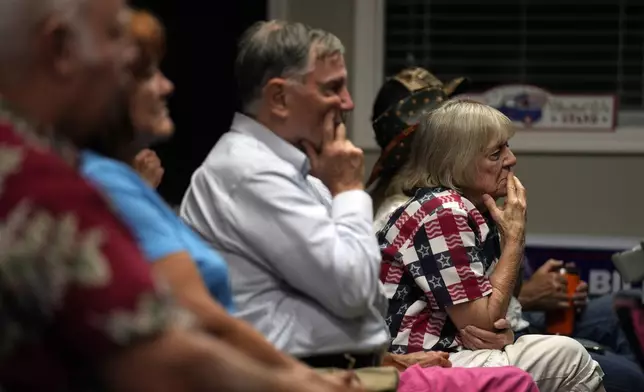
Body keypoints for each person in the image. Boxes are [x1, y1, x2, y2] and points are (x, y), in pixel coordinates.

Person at [0, 1, 360, 391]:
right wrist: (303, 384)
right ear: (61, 49)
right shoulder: (33, 181)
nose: (130, 62)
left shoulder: (49, 164)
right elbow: (162, 354)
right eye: (114, 35)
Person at [179, 19, 541, 392]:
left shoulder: (302, 178)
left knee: (523, 374)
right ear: (279, 98)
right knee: (517, 381)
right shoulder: (250, 173)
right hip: (293, 376)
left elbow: (365, 298)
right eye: (332, 88)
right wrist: (349, 188)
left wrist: (388, 359)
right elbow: (353, 290)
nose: (348, 102)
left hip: (350, 365)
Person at [375, 99, 605, 391]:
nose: (511, 159)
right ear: (458, 161)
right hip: (419, 362)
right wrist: (515, 239)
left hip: (453, 351)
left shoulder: (474, 209)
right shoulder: (444, 212)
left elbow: (498, 320)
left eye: (506, 147)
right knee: (570, 359)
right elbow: (481, 324)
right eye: (496, 153)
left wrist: (505, 335)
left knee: (567, 352)